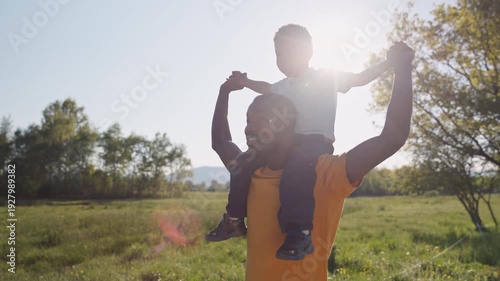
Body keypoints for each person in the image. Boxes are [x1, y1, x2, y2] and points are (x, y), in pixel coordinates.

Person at [210, 42, 414, 280]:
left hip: (315, 146)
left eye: (259, 120)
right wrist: (227, 90)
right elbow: (221, 141)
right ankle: (232, 221)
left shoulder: (325, 172)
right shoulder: (250, 171)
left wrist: (399, 68)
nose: (248, 128)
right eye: (248, 121)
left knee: (297, 173)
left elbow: (392, 136)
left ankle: (299, 232)